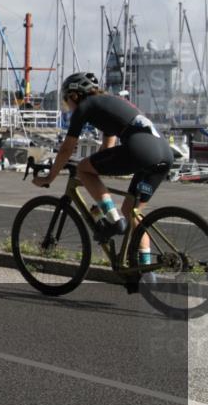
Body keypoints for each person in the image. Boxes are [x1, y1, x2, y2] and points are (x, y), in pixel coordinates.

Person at [33, 72, 173, 269]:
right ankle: (145, 271)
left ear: (74, 96)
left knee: (83, 169)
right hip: (164, 155)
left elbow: (66, 148)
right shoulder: (108, 104)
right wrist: (97, 188)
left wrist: (49, 176)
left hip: (141, 150)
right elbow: (106, 150)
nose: (69, 107)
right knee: (131, 212)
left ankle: (113, 220)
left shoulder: (85, 106)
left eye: (66, 102)